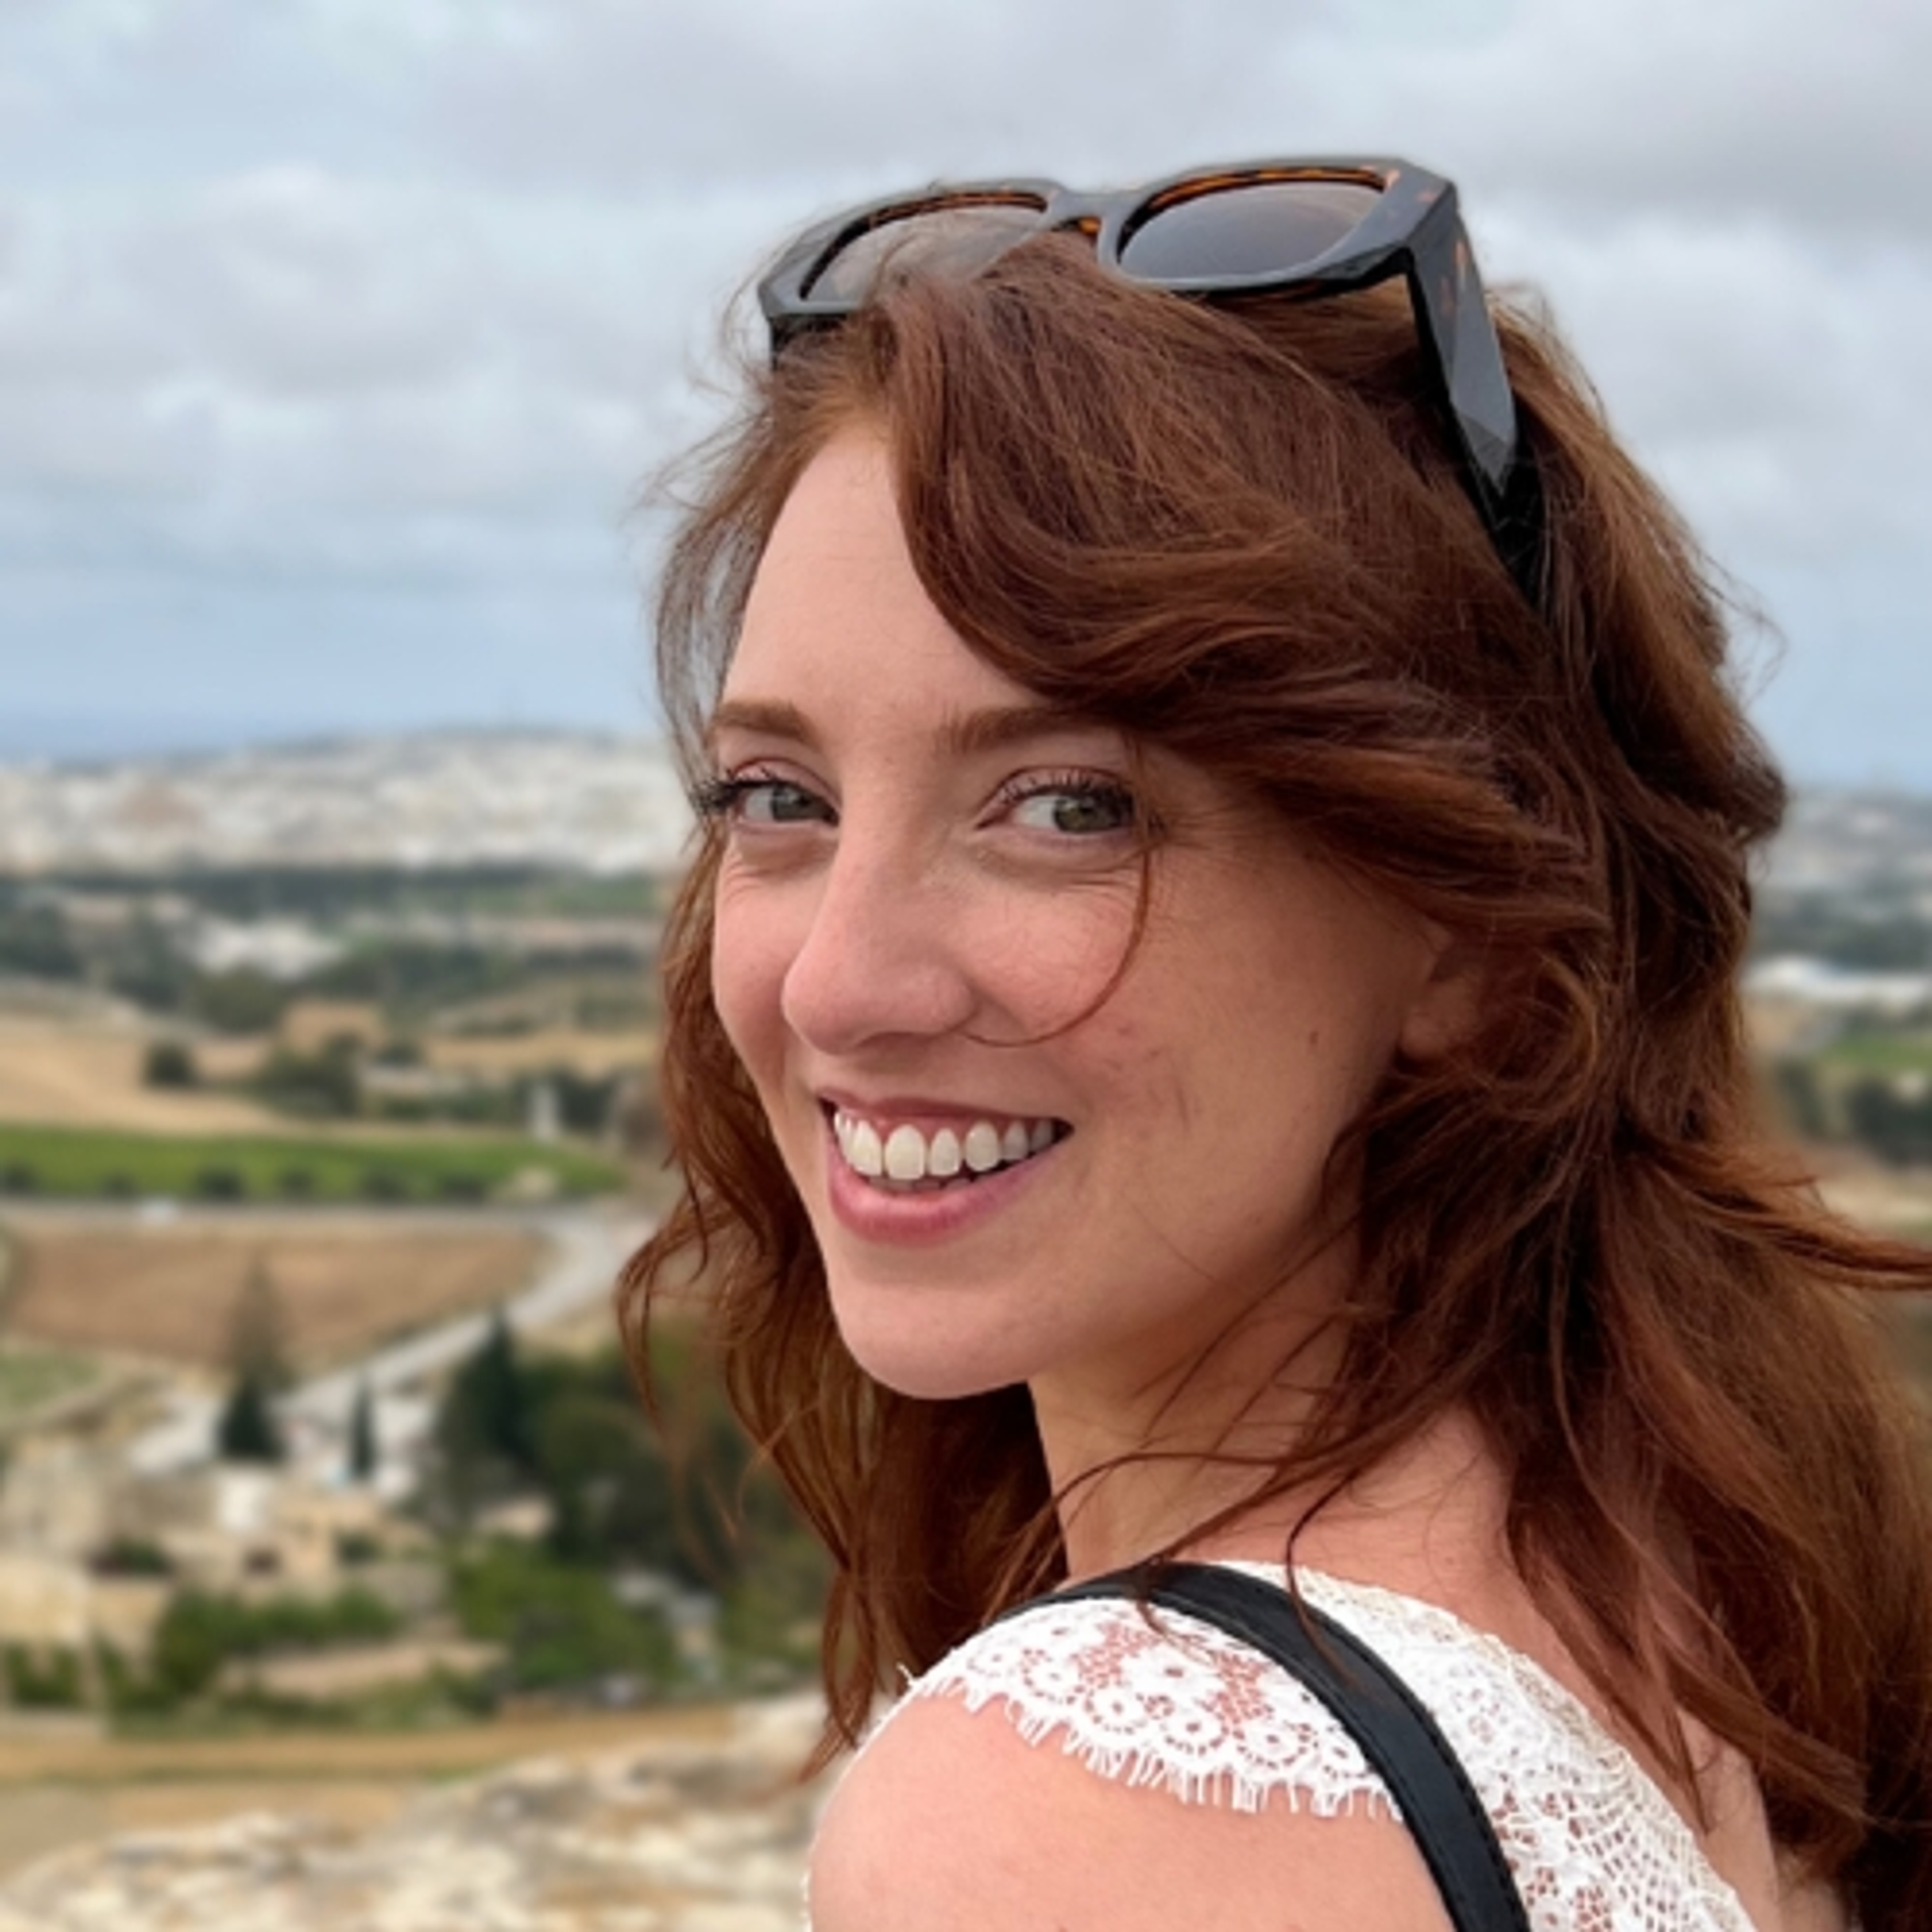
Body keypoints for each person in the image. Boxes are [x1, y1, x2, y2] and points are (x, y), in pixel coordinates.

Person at [620, 160, 1932, 1930]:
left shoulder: (1093, 1811)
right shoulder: (1703, 1604)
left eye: (1069, 806)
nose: (839, 986)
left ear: (1470, 929)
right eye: (780, 797)